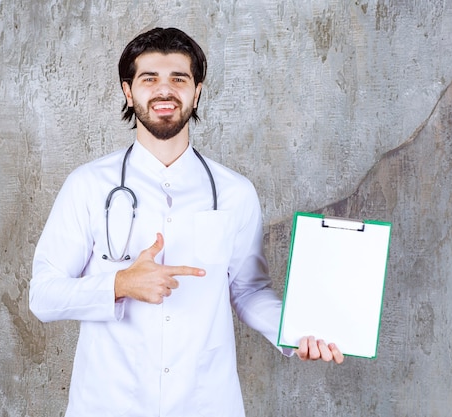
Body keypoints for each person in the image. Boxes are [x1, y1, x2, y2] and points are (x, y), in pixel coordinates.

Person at [29, 27, 343, 417]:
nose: (165, 91)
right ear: (128, 92)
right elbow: (42, 296)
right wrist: (120, 283)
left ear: (197, 92)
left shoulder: (235, 192)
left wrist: (297, 333)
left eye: (179, 78)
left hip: (205, 402)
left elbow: (248, 292)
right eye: (149, 79)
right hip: (109, 401)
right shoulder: (88, 186)